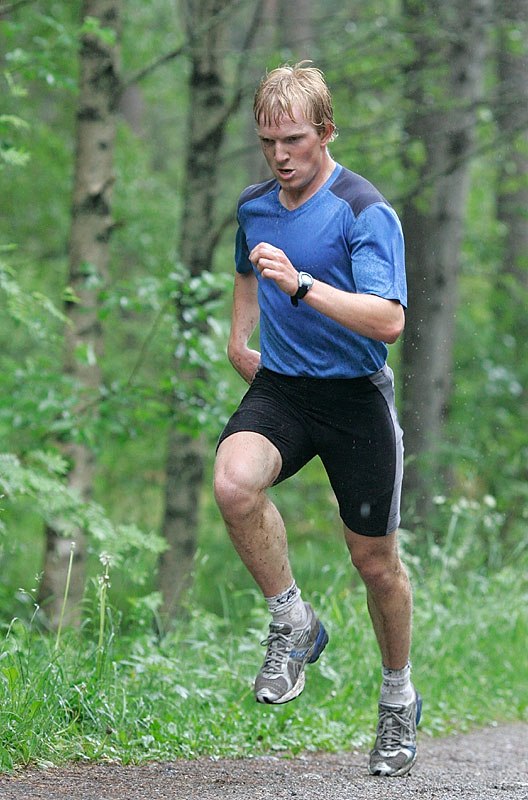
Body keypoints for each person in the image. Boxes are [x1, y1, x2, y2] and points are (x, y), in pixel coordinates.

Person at [213, 62, 421, 778]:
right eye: (268, 142)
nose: (280, 156)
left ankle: (397, 698)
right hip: (283, 390)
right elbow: (248, 266)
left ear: (326, 131)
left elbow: (388, 320)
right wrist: (239, 339)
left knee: (375, 565)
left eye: (294, 140)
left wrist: (303, 286)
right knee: (234, 483)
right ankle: (292, 622)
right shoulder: (255, 205)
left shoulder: (364, 210)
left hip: (355, 399)